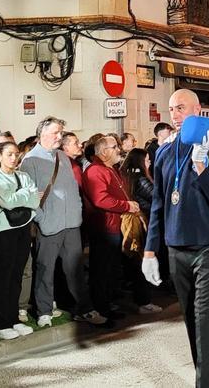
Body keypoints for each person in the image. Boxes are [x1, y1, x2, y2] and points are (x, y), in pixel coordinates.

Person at [142, 90, 209, 388]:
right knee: (191, 320)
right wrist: (149, 250)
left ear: (197, 109)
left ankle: (204, 384)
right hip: (175, 245)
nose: (175, 114)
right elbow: (159, 201)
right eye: (171, 109)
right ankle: (204, 378)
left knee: (205, 318)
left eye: (181, 108)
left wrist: (202, 167)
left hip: (208, 244)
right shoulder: (165, 151)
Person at [19, 117, 109, 327]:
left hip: (71, 224)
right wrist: (42, 218)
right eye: (55, 133)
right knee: (45, 269)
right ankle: (44, 311)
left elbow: (71, 188)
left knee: (75, 269)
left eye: (61, 132)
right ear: (42, 134)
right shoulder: (30, 160)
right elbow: (28, 195)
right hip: (49, 224)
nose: (59, 136)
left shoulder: (62, 156)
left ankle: (84, 309)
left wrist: (77, 212)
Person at [80, 133, 141, 319]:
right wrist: (126, 205)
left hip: (115, 225)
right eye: (114, 147)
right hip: (104, 228)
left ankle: (108, 303)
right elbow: (101, 200)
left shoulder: (110, 169)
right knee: (101, 269)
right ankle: (101, 307)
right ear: (104, 151)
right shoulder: (96, 171)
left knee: (111, 268)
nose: (119, 150)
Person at [0, 141, 39, 340]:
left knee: (16, 274)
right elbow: (7, 202)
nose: (14, 158)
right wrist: (26, 194)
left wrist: (23, 197)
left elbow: (36, 200)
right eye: (9, 154)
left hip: (23, 227)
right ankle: (0, 323)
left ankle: (13, 317)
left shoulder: (23, 175)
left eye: (16, 154)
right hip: (2, 231)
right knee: (3, 276)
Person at [119, 148, 161, 314]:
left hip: (132, 221)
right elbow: (156, 197)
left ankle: (140, 295)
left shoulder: (127, 174)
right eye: (147, 159)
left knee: (133, 260)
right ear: (140, 161)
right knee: (140, 261)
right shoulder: (141, 178)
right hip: (142, 222)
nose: (149, 162)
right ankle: (144, 301)